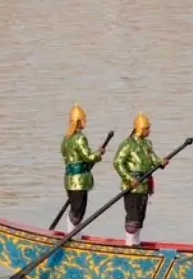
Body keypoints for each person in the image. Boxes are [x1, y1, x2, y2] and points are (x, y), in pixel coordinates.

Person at [112, 115, 164, 248]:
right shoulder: (128, 144)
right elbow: (118, 162)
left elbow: (153, 159)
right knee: (132, 215)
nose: (149, 131)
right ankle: (129, 243)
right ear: (140, 128)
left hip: (144, 184)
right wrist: (129, 179)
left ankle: (137, 242)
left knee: (141, 215)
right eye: (147, 128)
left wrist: (161, 162)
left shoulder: (147, 144)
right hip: (132, 185)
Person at [59, 106, 104, 234]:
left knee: (74, 208)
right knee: (78, 211)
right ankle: (72, 236)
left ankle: (73, 234)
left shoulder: (66, 139)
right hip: (79, 181)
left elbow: (64, 154)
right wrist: (99, 153)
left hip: (68, 179)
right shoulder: (80, 138)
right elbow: (88, 157)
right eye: (84, 120)